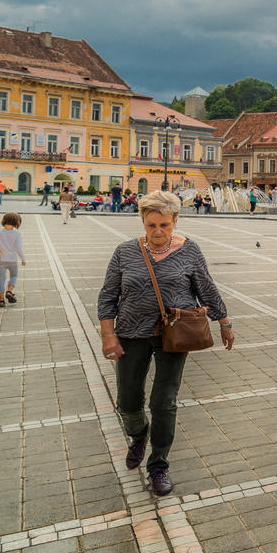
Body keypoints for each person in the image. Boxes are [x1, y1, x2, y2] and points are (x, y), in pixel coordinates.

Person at [98, 191, 232, 496]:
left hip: (175, 333)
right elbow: (108, 297)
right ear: (143, 222)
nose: (158, 232)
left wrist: (224, 322)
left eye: (164, 225)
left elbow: (206, 289)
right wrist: (108, 334)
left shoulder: (189, 251)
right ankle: (139, 434)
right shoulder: (125, 252)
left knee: (163, 401)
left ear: (175, 221)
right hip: (131, 333)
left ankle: (158, 465)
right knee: (128, 401)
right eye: (151, 225)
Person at [0, 213, 26, 306]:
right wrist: (23, 259)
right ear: (16, 222)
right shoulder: (17, 234)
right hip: (12, 260)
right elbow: (19, 248)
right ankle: (9, 291)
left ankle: (1, 300)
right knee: (14, 276)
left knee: (1, 279)